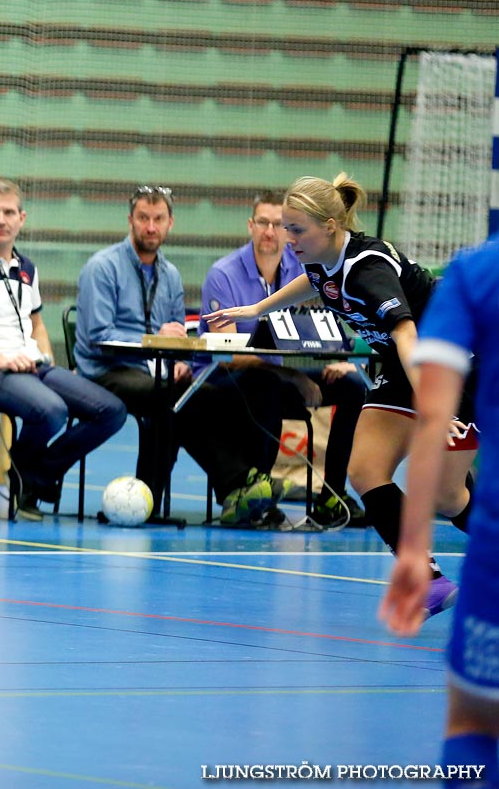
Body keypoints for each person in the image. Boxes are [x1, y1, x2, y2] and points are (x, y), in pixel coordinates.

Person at [206, 173, 476, 616]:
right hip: (406, 367)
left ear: (330, 225)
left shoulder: (367, 270)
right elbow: (316, 282)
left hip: (455, 361)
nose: (287, 239)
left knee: (449, 496)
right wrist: (258, 308)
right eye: (286, 228)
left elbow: (405, 332)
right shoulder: (322, 256)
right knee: (366, 469)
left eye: (296, 229)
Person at [74, 185, 286, 525]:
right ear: (130, 220)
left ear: (170, 223)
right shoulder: (102, 267)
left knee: (210, 396)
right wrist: (152, 340)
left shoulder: (170, 275)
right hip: (107, 371)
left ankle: (163, 498)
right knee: (173, 398)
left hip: (156, 373)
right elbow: (99, 338)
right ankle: (238, 483)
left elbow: (180, 337)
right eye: (143, 218)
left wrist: (184, 365)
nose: (151, 227)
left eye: (159, 219)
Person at [0, 179, 126, 520]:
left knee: (111, 411)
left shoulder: (28, 269)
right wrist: (0, 357)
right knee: (52, 410)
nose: (0, 219)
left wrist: (47, 358)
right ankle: (30, 481)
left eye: (9, 212)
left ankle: (33, 477)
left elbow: (37, 324)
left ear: (21, 218)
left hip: (32, 367)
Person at [380, 236, 497, 781]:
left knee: (472, 724)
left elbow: (432, 416)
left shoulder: (473, 275)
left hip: (490, 558)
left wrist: (412, 550)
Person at [201, 190, 368, 528]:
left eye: (279, 224)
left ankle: (332, 497)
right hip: (231, 380)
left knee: (352, 386)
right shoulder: (223, 275)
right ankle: (258, 495)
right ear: (251, 225)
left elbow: (319, 326)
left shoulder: (300, 268)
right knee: (267, 384)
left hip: (285, 374)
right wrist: (294, 377)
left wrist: (333, 358)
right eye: (263, 222)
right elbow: (227, 354)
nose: (270, 232)